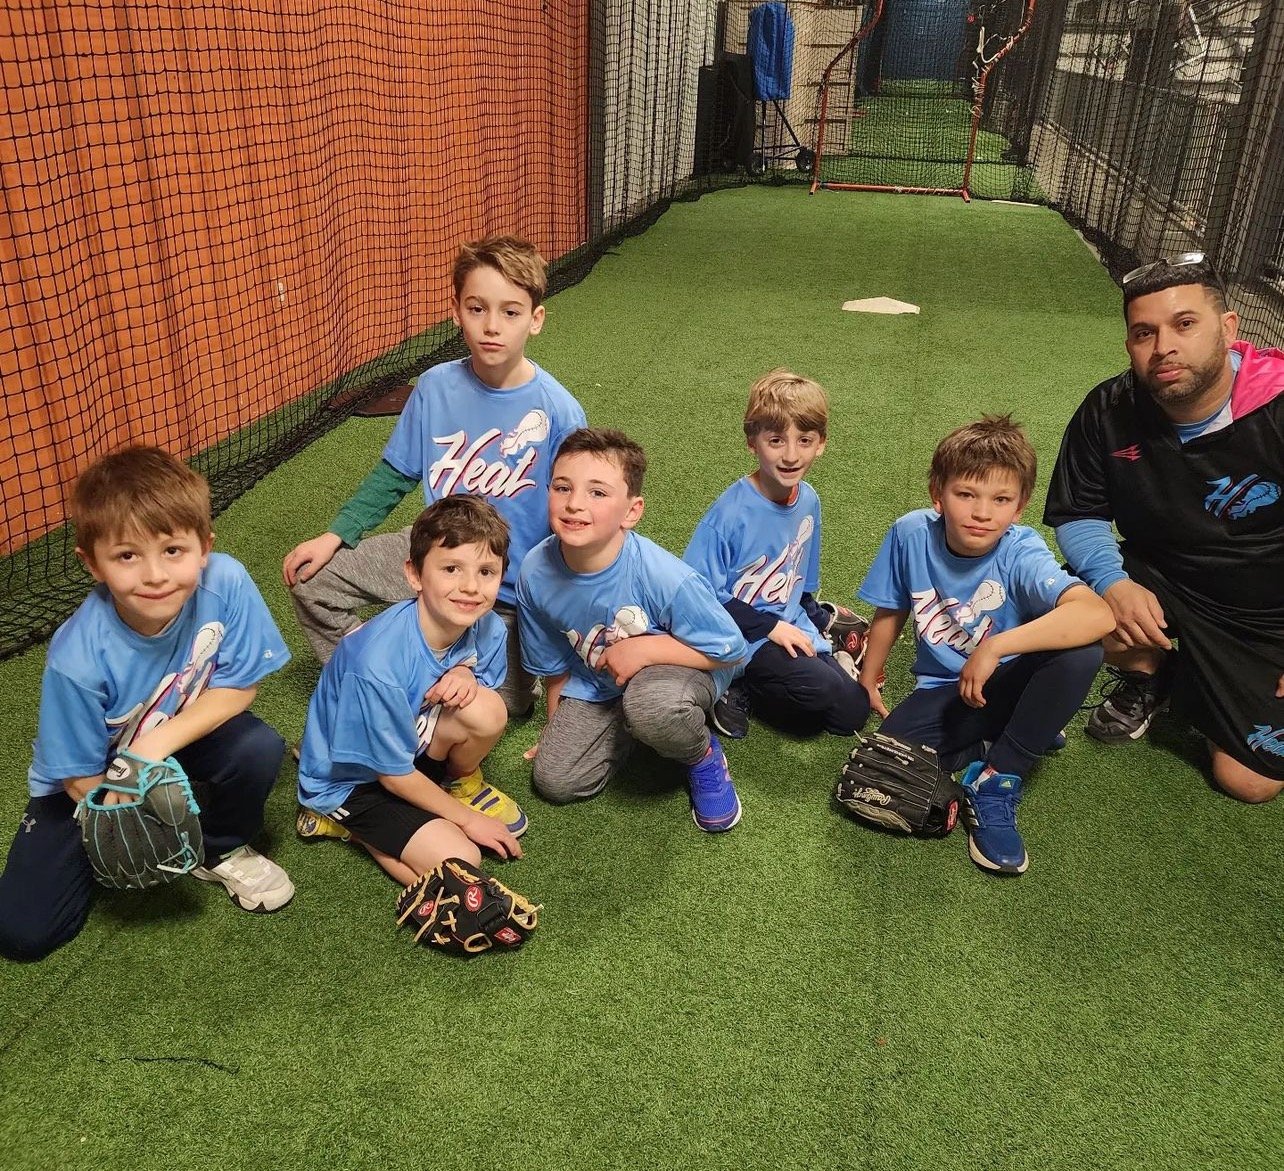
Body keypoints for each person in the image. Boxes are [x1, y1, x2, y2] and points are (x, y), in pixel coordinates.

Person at [0, 447, 294, 962]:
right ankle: (152, 817)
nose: (156, 575)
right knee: (24, 932)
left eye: (173, 550)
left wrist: (148, 754)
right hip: (87, 777)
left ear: (204, 547)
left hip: (167, 739)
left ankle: (219, 845)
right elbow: (76, 779)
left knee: (257, 746)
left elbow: (239, 688)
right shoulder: (76, 657)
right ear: (92, 563)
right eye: (127, 556)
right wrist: (128, 819)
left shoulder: (225, 581)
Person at [282, 234, 587, 720]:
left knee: (494, 705)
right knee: (310, 577)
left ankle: (432, 663)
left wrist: (551, 609)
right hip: (432, 558)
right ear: (456, 312)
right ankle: (376, 677)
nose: (492, 326)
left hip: (504, 590)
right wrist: (336, 535)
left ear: (536, 320)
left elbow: (574, 517)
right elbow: (396, 472)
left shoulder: (560, 411)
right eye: (476, 308)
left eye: (510, 312)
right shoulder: (434, 387)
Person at [1045, 253, 1284, 803]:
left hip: (1267, 613)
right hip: (1164, 580)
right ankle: (1152, 673)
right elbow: (1079, 513)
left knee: (1247, 783)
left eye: (1184, 324)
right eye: (1143, 333)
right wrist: (1114, 583)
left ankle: (1198, 684)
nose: (1163, 347)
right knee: (1063, 609)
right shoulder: (1109, 408)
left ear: (1227, 329)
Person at [856, 416, 1114, 875]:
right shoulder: (910, 532)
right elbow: (892, 610)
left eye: (1001, 499)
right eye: (966, 495)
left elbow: (1097, 614)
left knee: (1083, 651)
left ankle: (998, 777)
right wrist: (870, 675)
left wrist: (994, 648)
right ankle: (1025, 725)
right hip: (946, 691)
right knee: (889, 751)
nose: (982, 513)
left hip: (1006, 678)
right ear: (938, 493)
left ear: (1019, 507)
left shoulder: (1021, 550)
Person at [517, 427, 748, 831]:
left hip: (692, 665)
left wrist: (646, 651)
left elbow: (731, 649)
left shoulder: (663, 575)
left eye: (598, 493)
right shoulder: (534, 571)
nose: (574, 505)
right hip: (600, 683)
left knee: (653, 705)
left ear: (632, 511)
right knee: (554, 780)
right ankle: (638, 726)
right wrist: (557, 731)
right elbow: (554, 665)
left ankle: (702, 755)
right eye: (562, 487)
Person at [296, 497, 526, 890]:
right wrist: (466, 820)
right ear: (415, 575)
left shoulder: (487, 627)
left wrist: (465, 673)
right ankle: (343, 822)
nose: (471, 587)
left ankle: (458, 783)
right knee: (462, 860)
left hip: (408, 750)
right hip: (353, 779)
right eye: (451, 569)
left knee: (487, 710)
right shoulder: (377, 665)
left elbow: (483, 690)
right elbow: (392, 776)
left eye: (486, 571)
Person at [683, 368, 870, 740]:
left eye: (804, 440)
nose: (790, 455)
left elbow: (801, 578)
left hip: (786, 622)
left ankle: (822, 636)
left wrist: (811, 619)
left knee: (851, 714)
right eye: (775, 440)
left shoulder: (810, 500)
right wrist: (770, 627)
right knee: (820, 692)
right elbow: (698, 596)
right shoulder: (730, 513)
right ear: (752, 441)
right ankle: (734, 684)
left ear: (822, 443)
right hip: (739, 635)